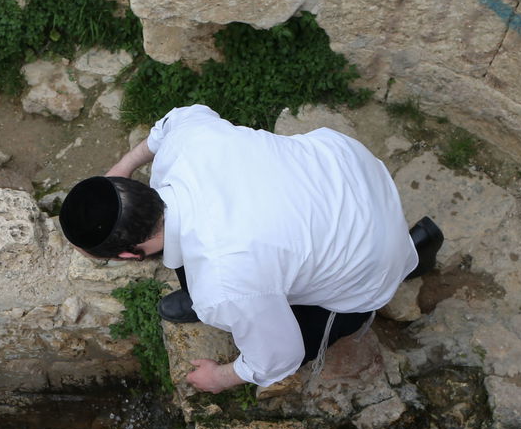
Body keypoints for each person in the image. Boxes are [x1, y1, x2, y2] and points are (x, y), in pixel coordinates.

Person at [59, 104, 443, 393]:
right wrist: (122, 166)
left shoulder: (224, 284)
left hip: (372, 256)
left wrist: (221, 377)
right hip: (348, 170)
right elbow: (174, 120)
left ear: (130, 254)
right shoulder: (188, 143)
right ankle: (407, 246)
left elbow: (280, 356)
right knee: (222, 278)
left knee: (296, 328)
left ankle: (409, 257)